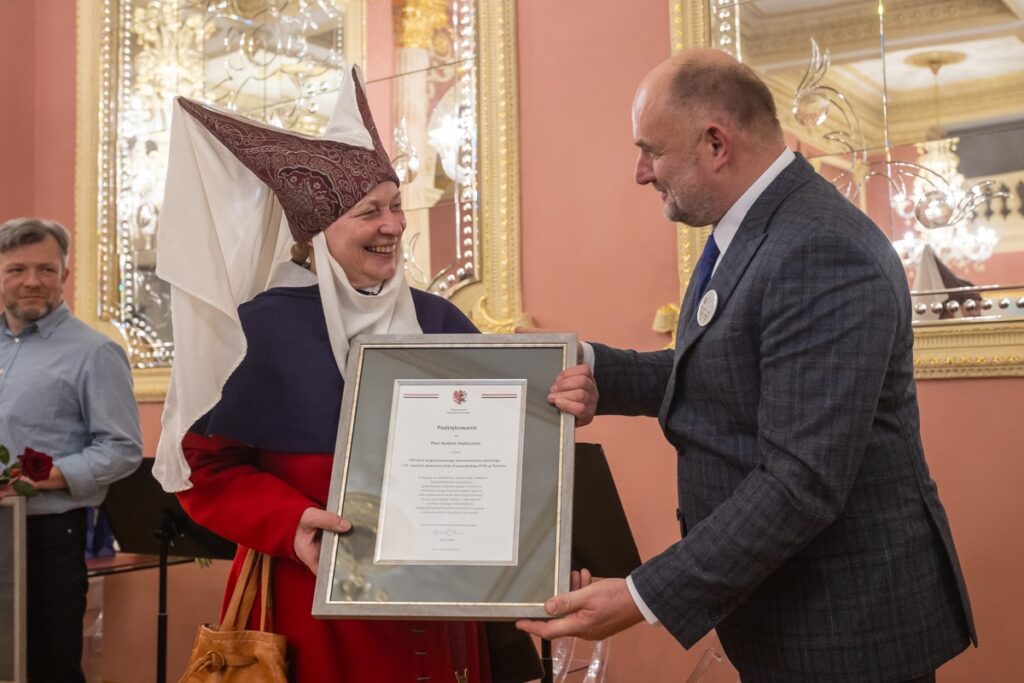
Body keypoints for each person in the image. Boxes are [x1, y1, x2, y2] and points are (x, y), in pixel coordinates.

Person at [519, 49, 975, 682]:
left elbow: (800, 481)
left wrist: (643, 595)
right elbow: (719, 369)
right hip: (787, 615)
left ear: (715, 143)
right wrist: (595, 370)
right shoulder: (757, 226)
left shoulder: (819, 248)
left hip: (843, 633)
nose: (640, 173)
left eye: (651, 150)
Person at [154, 66, 539, 683]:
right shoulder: (257, 329)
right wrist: (289, 521)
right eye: (370, 211)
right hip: (310, 601)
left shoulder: (441, 320)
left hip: (439, 602)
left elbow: (502, 460)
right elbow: (201, 469)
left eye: (395, 206)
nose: (393, 225)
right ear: (316, 233)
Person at [0, 217, 143, 683]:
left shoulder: (94, 352)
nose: (31, 282)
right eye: (16, 270)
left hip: (48, 537)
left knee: (49, 666)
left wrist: (47, 477)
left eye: (45, 269)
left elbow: (122, 449)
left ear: (63, 274)